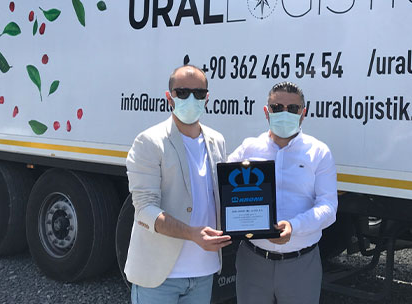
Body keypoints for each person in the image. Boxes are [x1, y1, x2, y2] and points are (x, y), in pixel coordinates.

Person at [125, 64, 232, 304]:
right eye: (182, 92)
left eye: (199, 93)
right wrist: (191, 234)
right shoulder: (149, 141)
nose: (191, 99)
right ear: (169, 97)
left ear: (207, 98)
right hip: (160, 277)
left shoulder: (217, 141)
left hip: (203, 272)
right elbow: (144, 209)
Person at [227, 81, 338, 304]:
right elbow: (222, 189)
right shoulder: (248, 148)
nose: (284, 113)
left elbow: (328, 208)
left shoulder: (319, 152)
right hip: (253, 261)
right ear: (266, 112)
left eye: (293, 108)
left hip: (300, 265)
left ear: (303, 113)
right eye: (277, 108)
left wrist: (293, 227)